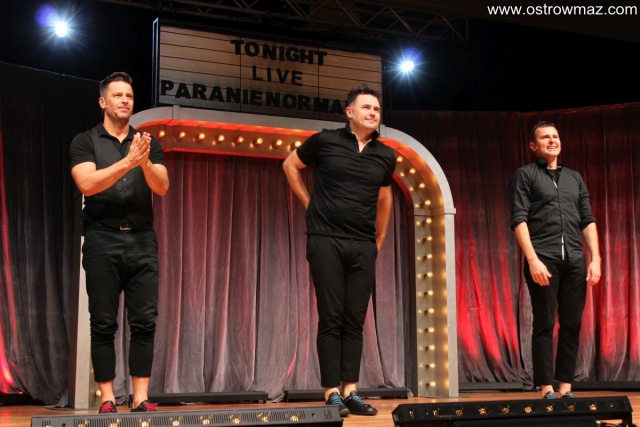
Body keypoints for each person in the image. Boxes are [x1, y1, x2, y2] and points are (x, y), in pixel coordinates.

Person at [282, 84, 395, 417]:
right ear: (349, 112)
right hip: (325, 239)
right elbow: (290, 166)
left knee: (354, 320)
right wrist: (310, 205)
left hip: (362, 244)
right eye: (366, 107)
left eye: (377, 109)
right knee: (331, 317)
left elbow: (385, 198)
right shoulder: (326, 140)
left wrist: (378, 240)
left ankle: (351, 390)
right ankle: (331, 392)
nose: (373, 113)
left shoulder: (385, 155)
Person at [70, 72, 170, 413]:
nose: (125, 100)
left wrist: (144, 162)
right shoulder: (85, 141)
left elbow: (162, 186)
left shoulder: (147, 143)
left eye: (129, 95)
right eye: (118, 95)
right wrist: (128, 162)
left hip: (142, 238)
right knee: (103, 322)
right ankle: (108, 398)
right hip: (102, 237)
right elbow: (87, 184)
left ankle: (141, 397)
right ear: (103, 102)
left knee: (144, 321)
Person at [510, 121, 601, 399]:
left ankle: (566, 387)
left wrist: (596, 258)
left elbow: (587, 219)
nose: (552, 141)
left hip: (574, 259)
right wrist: (533, 259)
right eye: (545, 137)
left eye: (555, 136)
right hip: (543, 258)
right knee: (545, 322)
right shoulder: (525, 175)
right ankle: (546, 387)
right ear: (533, 146)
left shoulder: (574, 178)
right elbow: (519, 219)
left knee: (572, 324)